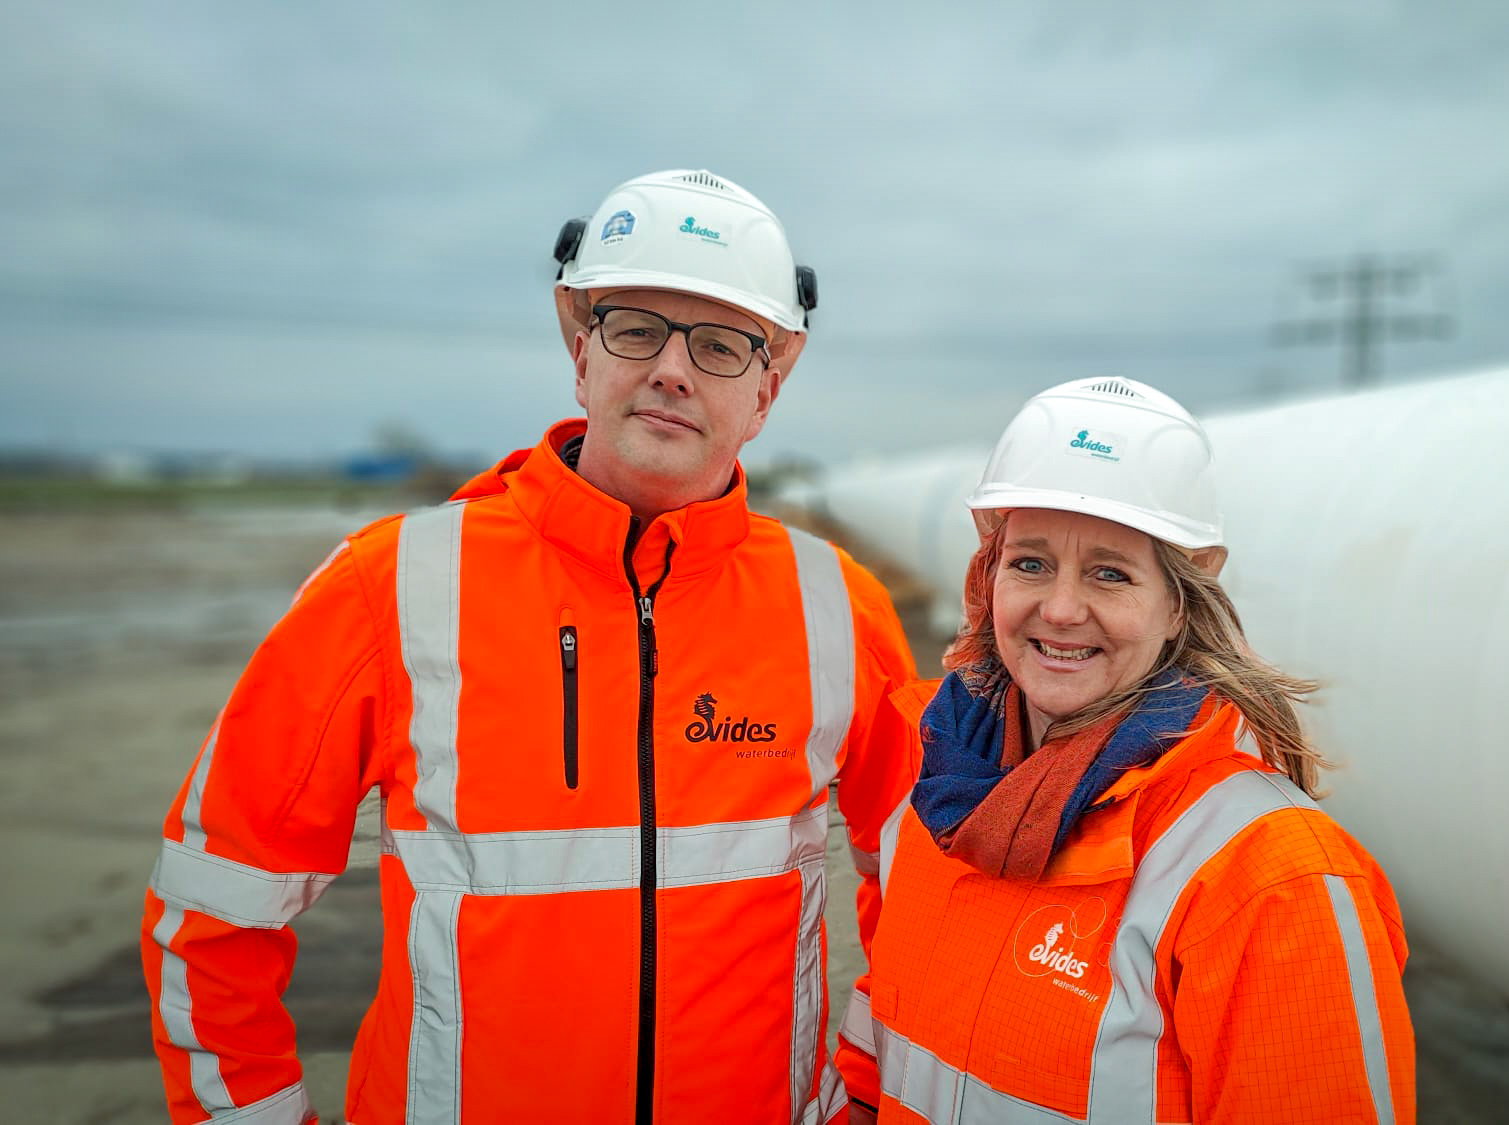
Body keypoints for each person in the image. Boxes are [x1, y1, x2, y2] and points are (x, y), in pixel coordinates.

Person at [141, 170, 917, 1124]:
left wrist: (869, 1098)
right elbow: (214, 904)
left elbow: (927, 901)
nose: (672, 369)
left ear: (772, 382)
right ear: (578, 341)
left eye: (720, 346)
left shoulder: (838, 608)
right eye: (637, 327)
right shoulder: (390, 586)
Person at [832, 377, 1416, 1122]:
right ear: (989, 577)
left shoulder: (1269, 882)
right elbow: (878, 1054)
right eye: (1031, 563)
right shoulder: (935, 792)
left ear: (1179, 604)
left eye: (1110, 573)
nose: (1062, 608)